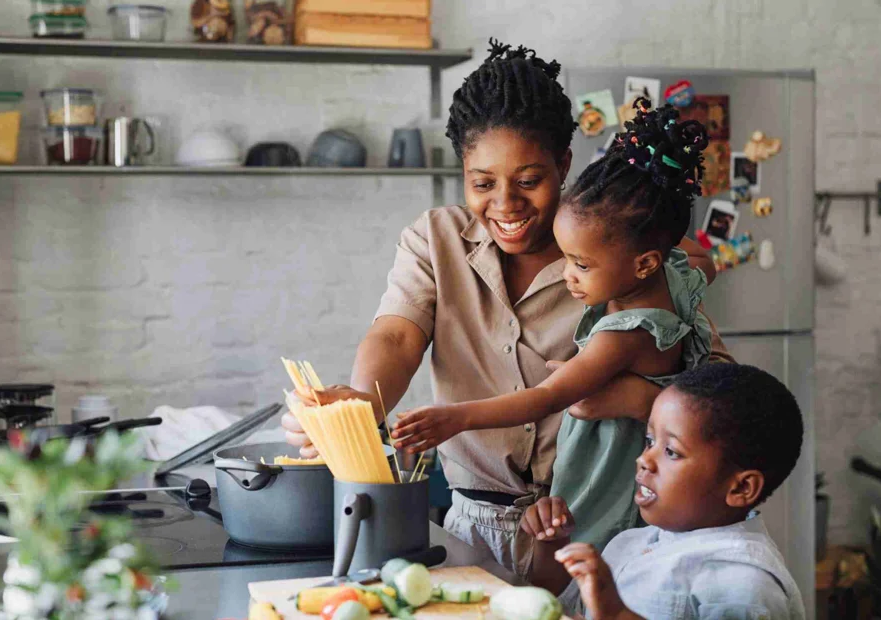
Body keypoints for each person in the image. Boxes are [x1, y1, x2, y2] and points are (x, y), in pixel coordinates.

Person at [283, 40, 734, 575]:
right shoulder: (435, 239)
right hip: (475, 528)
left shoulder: (623, 255)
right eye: (482, 184)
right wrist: (361, 407)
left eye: (528, 181)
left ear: (563, 163)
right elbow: (397, 337)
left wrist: (636, 399)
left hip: (603, 525)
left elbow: (720, 391)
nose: (505, 204)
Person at [393, 99, 715, 556]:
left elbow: (547, 397)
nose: (568, 276)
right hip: (522, 512)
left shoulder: (622, 332)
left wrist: (456, 417)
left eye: (580, 264)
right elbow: (704, 260)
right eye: (482, 182)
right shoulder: (672, 279)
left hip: (594, 505)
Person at [540, 364, 806, 619]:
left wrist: (618, 616)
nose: (643, 459)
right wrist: (554, 544)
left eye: (671, 452)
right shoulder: (629, 543)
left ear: (740, 487)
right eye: (649, 441)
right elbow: (573, 608)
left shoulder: (744, 586)